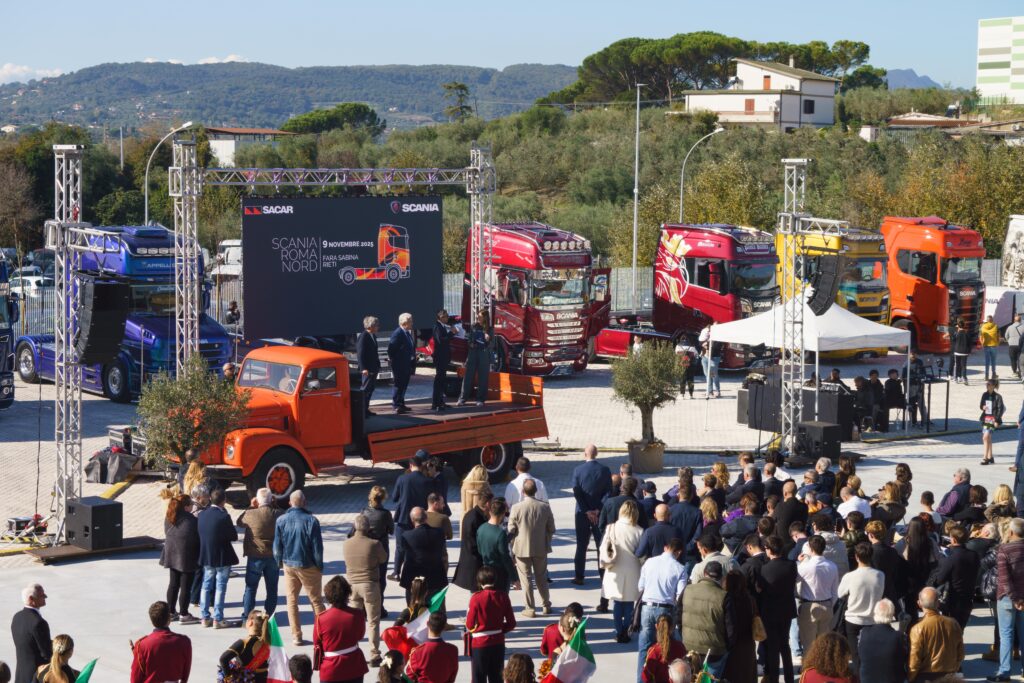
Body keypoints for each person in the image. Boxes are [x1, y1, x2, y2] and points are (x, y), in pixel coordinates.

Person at [273, 489, 326, 646]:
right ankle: (323, 634)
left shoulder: (281, 520)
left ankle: (296, 635)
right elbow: (317, 548)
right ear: (304, 502)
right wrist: (319, 565)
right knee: (316, 601)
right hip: (308, 565)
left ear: (290, 502)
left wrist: (279, 562)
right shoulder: (311, 521)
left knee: (291, 601)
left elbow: (277, 547)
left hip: (289, 564)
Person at [637, 539, 688, 680]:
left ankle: (642, 679)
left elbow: (640, 586)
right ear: (678, 552)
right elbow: (680, 594)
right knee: (666, 647)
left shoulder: (649, 562)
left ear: (665, 547)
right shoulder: (680, 568)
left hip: (647, 607)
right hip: (666, 610)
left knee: (644, 648)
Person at [508, 479, 555, 618]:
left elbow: (511, 529)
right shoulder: (545, 507)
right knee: (541, 577)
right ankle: (546, 605)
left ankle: (530, 608)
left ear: (523, 491)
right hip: (540, 547)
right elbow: (552, 528)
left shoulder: (516, 508)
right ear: (536, 491)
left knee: (526, 579)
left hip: (521, 548)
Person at [345, 514, 387, 667]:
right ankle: (374, 654)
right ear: (368, 528)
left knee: (355, 621)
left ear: (354, 527)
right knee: (373, 620)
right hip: (370, 584)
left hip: (352, 585)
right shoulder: (374, 543)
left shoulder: (346, 544)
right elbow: (383, 558)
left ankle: (351, 650)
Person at [600, 498, 643, 642]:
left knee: (617, 603)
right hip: (633, 569)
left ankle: (619, 631)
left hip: (614, 568)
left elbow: (603, 547)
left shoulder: (611, 527)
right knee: (629, 603)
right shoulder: (639, 531)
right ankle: (626, 630)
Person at [756, 536, 798, 683]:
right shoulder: (791, 565)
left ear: (769, 549)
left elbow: (760, 588)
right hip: (786, 609)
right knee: (785, 645)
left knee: (773, 648)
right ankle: (789, 678)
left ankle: (773, 679)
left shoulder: (764, 569)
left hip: (770, 611)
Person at [570, 444, 613, 586]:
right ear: (597, 454)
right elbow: (608, 492)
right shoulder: (605, 470)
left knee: (581, 545)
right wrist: (597, 510)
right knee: (601, 545)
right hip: (599, 514)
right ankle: (603, 576)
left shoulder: (578, 470)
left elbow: (577, 493)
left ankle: (579, 576)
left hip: (582, 514)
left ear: (585, 454)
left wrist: (586, 511)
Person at [838, 542, 884, 672]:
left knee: (856, 655)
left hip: (853, 618)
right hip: (872, 619)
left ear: (856, 557)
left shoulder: (849, 576)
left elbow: (840, 593)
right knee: (871, 654)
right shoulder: (880, 575)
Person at [465, 566, 516, 683]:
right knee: (497, 678)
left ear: (479, 581)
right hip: (498, 641)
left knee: (479, 678)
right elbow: (511, 623)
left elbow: (469, 624)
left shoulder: (476, 598)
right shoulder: (503, 596)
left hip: (479, 643)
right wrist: (499, 630)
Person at [237, 488, 281, 621]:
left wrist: (251, 506)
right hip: (273, 556)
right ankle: (269, 616)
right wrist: (275, 504)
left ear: (257, 500)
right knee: (272, 588)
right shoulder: (278, 513)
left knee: (250, 588)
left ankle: (247, 617)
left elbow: (239, 522)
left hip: (255, 556)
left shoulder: (251, 514)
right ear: (271, 499)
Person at [314, 576, 368, 683]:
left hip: (331, 669)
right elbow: (360, 636)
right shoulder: (358, 614)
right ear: (347, 594)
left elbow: (317, 643)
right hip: (354, 666)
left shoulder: (321, 618)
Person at [198, 487, 239, 629]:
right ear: (224, 501)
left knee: (206, 585)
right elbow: (233, 536)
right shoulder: (224, 516)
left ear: (210, 499)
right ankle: (218, 618)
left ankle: (204, 617)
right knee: (220, 587)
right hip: (222, 556)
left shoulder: (202, 515)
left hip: (207, 555)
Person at [391, 453, 434, 579]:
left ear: (410, 465)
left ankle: (396, 572)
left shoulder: (402, 479)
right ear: (421, 466)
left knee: (400, 547)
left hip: (404, 517)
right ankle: (417, 572)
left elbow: (394, 498)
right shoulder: (427, 481)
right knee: (418, 547)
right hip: (420, 519)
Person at [681, 560, 728, 678]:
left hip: (689, 646)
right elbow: (730, 626)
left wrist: (684, 634)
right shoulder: (724, 596)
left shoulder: (688, 589)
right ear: (721, 576)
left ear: (704, 573)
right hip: (714, 650)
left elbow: (677, 614)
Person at [160, 494, 200, 625]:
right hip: (186, 556)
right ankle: (184, 614)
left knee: (173, 584)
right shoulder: (191, 520)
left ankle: (171, 612)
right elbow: (197, 538)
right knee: (185, 587)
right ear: (186, 506)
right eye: (191, 505)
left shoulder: (169, 516)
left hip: (171, 554)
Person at [796, 535, 839, 654]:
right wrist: (830, 604)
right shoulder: (832, 566)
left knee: (808, 644)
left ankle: (809, 664)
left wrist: (799, 563)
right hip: (827, 604)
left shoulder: (804, 567)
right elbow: (835, 591)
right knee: (824, 644)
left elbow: (795, 581)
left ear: (810, 548)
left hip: (809, 605)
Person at [909, 587, 964, 682]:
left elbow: (914, 661)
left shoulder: (917, 628)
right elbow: (960, 654)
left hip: (927, 677)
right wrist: (952, 672)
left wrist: (910, 679)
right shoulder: (953, 623)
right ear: (938, 603)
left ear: (919, 603)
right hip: (949, 675)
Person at [930, 526, 979, 631]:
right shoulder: (974, 555)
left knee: (950, 631)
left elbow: (940, 579)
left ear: (953, 539)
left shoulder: (951, 558)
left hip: (953, 599)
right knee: (960, 629)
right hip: (968, 596)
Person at [993, 518, 1024, 681]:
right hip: (1021, 597)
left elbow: (1004, 579)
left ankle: (1004, 672)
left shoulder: (1004, 549)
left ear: (1011, 532)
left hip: (1007, 598)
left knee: (1006, 635)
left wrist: (1015, 599)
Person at [130, 601, 192, 683]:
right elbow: (185, 674)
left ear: (152, 621)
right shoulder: (184, 642)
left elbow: (135, 679)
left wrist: (137, 652)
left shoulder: (142, 645)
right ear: (169, 619)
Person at [399, 507, 448, 600]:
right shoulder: (439, 533)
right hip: (435, 576)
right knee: (436, 605)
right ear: (426, 518)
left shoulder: (407, 535)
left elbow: (403, 552)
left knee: (413, 605)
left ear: (412, 520)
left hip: (414, 578)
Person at [857, 599, 909, 683]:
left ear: (875, 614)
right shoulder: (899, 637)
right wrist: (902, 630)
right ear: (892, 614)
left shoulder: (863, 633)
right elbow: (905, 656)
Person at [453, 490, 493, 592]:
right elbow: (473, 544)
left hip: (472, 561)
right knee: (476, 593)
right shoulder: (476, 518)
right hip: (474, 563)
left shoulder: (471, 514)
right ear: (488, 503)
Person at [361, 486, 395, 607]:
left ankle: (367, 605)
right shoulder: (386, 514)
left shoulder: (364, 512)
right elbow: (391, 530)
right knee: (381, 577)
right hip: (382, 547)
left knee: (367, 576)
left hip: (367, 548)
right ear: (383, 498)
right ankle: (379, 605)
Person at [722, 569, 757, 683]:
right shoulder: (750, 599)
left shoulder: (727, 600)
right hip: (748, 642)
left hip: (733, 644)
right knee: (747, 675)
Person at [218, 610, 270, 683]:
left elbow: (223, 659)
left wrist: (229, 678)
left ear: (250, 622)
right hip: (265, 679)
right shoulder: (268, 642)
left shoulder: (243, 642)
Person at [477, 499, 517, 593]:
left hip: (486, 571)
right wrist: (514, 578)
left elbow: (480, 550)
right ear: (502, 514)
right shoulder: (500, 533)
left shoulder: (481, 528)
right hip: (500, 574)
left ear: (490, 512)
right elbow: (505, 557)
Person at [406, 612, 458, 683]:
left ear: (427, 624)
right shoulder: (453, 650)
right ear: (444, 627)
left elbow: (410, 677)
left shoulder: (418, 651)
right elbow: (452, 676)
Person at [866, 520, 908, 607]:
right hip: (890, 590)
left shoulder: (869, 552)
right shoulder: (892, 551)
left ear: (871, 535)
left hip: (875, 591)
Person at [459, 309, 492, 406]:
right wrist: (471, 344)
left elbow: (492, 345)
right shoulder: (474, 326)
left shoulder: (490, 329)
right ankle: (462, 398)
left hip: (483, 355)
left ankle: (480, 399)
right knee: (468, 376)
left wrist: (488, 339)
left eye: (480, 316)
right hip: (473, 354)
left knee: (483, 378)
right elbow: (469, 339)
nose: (478, 317)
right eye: (478, 316)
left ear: (485, 318)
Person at [641, 614, 687, 683]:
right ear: (672, 628)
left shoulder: (654, 650)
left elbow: (646, 677)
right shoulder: (680, 647)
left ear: (656, 626)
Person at [386, 312, 417, 414]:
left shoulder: (407, 333)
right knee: (398, 384)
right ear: (404, 323)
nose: (412, 323)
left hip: (407, 364)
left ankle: (401, 403)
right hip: (399, 364)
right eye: (410, 321)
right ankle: (396, 405)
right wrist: (395, 359)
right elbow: (391, 349)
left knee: (404, 384)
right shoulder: (398, 333)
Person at [357, 316, 381, 418]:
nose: (378, 327)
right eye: (376, 325)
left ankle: (366, 409)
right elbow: (360, 354)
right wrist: (363, 368)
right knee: (365, 390)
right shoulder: (363, 336)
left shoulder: (372, 336)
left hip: (374, 367)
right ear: (371, 326)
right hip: (367, 369)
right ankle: (361, 412)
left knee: (370, 389)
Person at [430, 309, 454, 412]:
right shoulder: (437, 327)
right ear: (441, 317)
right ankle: (436, 403)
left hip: (444, 357)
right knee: (439, 380)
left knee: (442, 379)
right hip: (440, 357)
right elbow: (441, 340)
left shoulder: (442, 326)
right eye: (446, 316)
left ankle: (440, 401)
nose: (448, 318)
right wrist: (451, 333)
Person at [424, 493, 453, 571]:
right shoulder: (443, 518)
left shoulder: (420, 516)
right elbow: (450, 536)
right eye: (442, 503)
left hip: (423, 556)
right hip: (440, 556)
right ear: (435, 504)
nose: (444, 505)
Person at [981, 379, 1006, 466]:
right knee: (988, 438)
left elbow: (1000, 409)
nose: (987, 386)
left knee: (985, 437)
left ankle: (985, 458)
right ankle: (990, 456)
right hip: (986, 418)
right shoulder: (984, 395)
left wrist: (996, 420)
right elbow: (981, 405)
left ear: (994, 386)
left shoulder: (998, 397)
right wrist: (983, 407)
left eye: (989, 385)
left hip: (993, 419)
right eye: (987, 385)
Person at [700, 323, 722, 398]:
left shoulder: (719, 337)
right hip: (705, 357)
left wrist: (707, 345)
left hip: (713, 358)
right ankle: (709, 391)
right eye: (713, 326)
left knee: (713, 374)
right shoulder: (707, 334)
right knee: (707, 375)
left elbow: (717, 347)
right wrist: (703, 343)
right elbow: (700, 342)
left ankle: (717, 391)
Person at [982, 314, 1000, 380]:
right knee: (993, 361)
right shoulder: (996, 326)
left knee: (987, 361)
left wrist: (982, 343)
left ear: (987, 320)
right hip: (994, 345)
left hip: (986, 346)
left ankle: (986, 376)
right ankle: (993, 374)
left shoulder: (983, 326)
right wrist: (998, 343)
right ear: (992, 320)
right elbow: (998, 336)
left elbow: (980, 336)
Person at [953, 319, 971, 384]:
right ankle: (964, 378)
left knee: (957, 365)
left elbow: (953, 340)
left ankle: (956, 378)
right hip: (964, 352)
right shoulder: (967, 333)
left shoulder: (956, 333)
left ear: (958, 326)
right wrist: (969, 351)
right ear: (964, 325)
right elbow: (969, 343)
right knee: (963, 366)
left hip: (957, 351)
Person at [1007, 313, 1024, 379]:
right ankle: (1020, 372)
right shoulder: (1023, 327)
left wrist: (1009, 341)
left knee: (1013, 359)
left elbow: (1006, 336)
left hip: (1012, 345)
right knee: (1020, 359)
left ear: (1014, 320)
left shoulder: (1009, 327)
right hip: (1020, 346)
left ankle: (1014, 372)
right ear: (1020, 320)